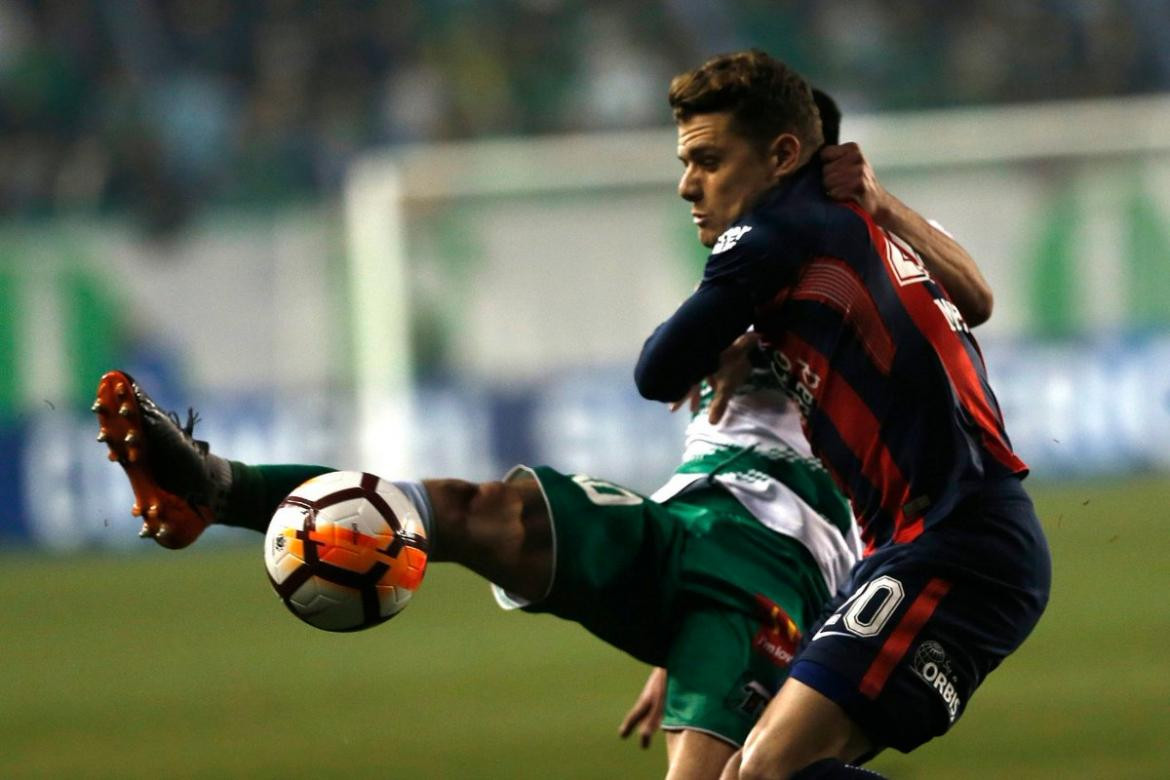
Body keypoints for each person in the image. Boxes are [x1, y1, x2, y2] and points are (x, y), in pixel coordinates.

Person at [634, 50, 1050, 779]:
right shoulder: (861, 233)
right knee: (755, 775)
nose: (686, 185)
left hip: (957, 539)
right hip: (916, 545)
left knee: (764, 772)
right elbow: (974, 301)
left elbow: (656, 370)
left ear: (783, 155)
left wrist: (728, 330)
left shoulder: (772, 240)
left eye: (707, 159)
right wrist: (757, 343)